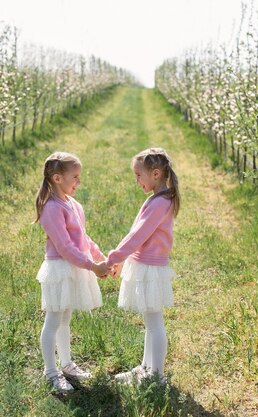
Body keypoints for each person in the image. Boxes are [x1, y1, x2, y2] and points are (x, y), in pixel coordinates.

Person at [34, 151, 109, 392]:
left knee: (65, 318)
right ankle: (50, 371)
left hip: (75, 265)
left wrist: (100, 258)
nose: (79, 181)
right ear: (57, 178)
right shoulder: (52, 208)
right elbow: (65, 246)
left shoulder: (72, 204)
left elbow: (82, 237)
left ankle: (66, 363)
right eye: (75, 177)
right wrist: (92, 266)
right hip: (60, 269)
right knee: (54, 319)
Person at [106, 147, 180, 384]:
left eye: (139, 175)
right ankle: (146, 367)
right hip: (144, 264)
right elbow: (137, 236)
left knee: (154, 321)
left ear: (155, 174)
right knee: (150, 321)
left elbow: (137, 236)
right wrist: (123, 258)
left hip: (150, 268)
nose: (137, 180)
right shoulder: (157, 199)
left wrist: (115, 257)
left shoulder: (160, 203)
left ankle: (156, 376)